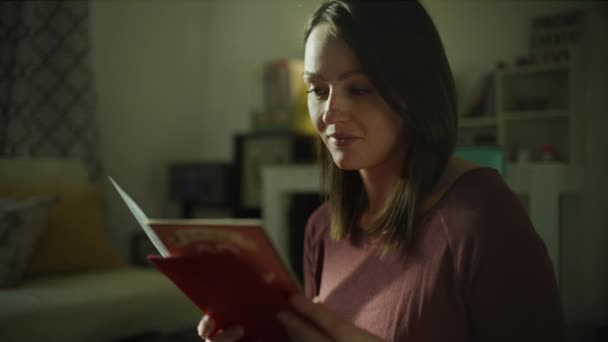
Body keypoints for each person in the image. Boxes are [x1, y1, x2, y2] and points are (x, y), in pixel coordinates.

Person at [198, 1, 566, 341]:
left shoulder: (481, 214)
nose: (329, 114)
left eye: (358, 89)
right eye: (318, 89)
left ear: (415, 92)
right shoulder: (322, 228)